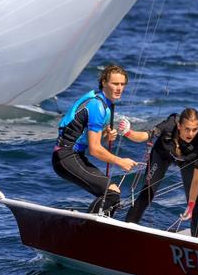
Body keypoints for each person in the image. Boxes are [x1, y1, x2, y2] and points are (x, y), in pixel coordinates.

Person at [52, 64, 140, 216]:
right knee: (111, 193)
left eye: (122, 84)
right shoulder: (97, 105)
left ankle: (96, 229)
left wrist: (107, 137)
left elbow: (93, 141)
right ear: (104, 82)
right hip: (65, 157)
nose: (119, 88)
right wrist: (120, 161)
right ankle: (87, 230)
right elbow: (94, 149)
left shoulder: (107, 104)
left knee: (112, 195)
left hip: (75, 156)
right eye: (115, 84)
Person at [124, 108, 198, 237]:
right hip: (162, 155)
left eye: (194, 129)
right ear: (179, 126)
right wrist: (128, 132)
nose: (190, 134)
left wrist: (190, 206)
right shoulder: (169, 126)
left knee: (195, 206)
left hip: (187, 161)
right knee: (146, 194)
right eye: (187, 129)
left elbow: (196, 179)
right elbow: (146, 136)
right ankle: (126, 233)